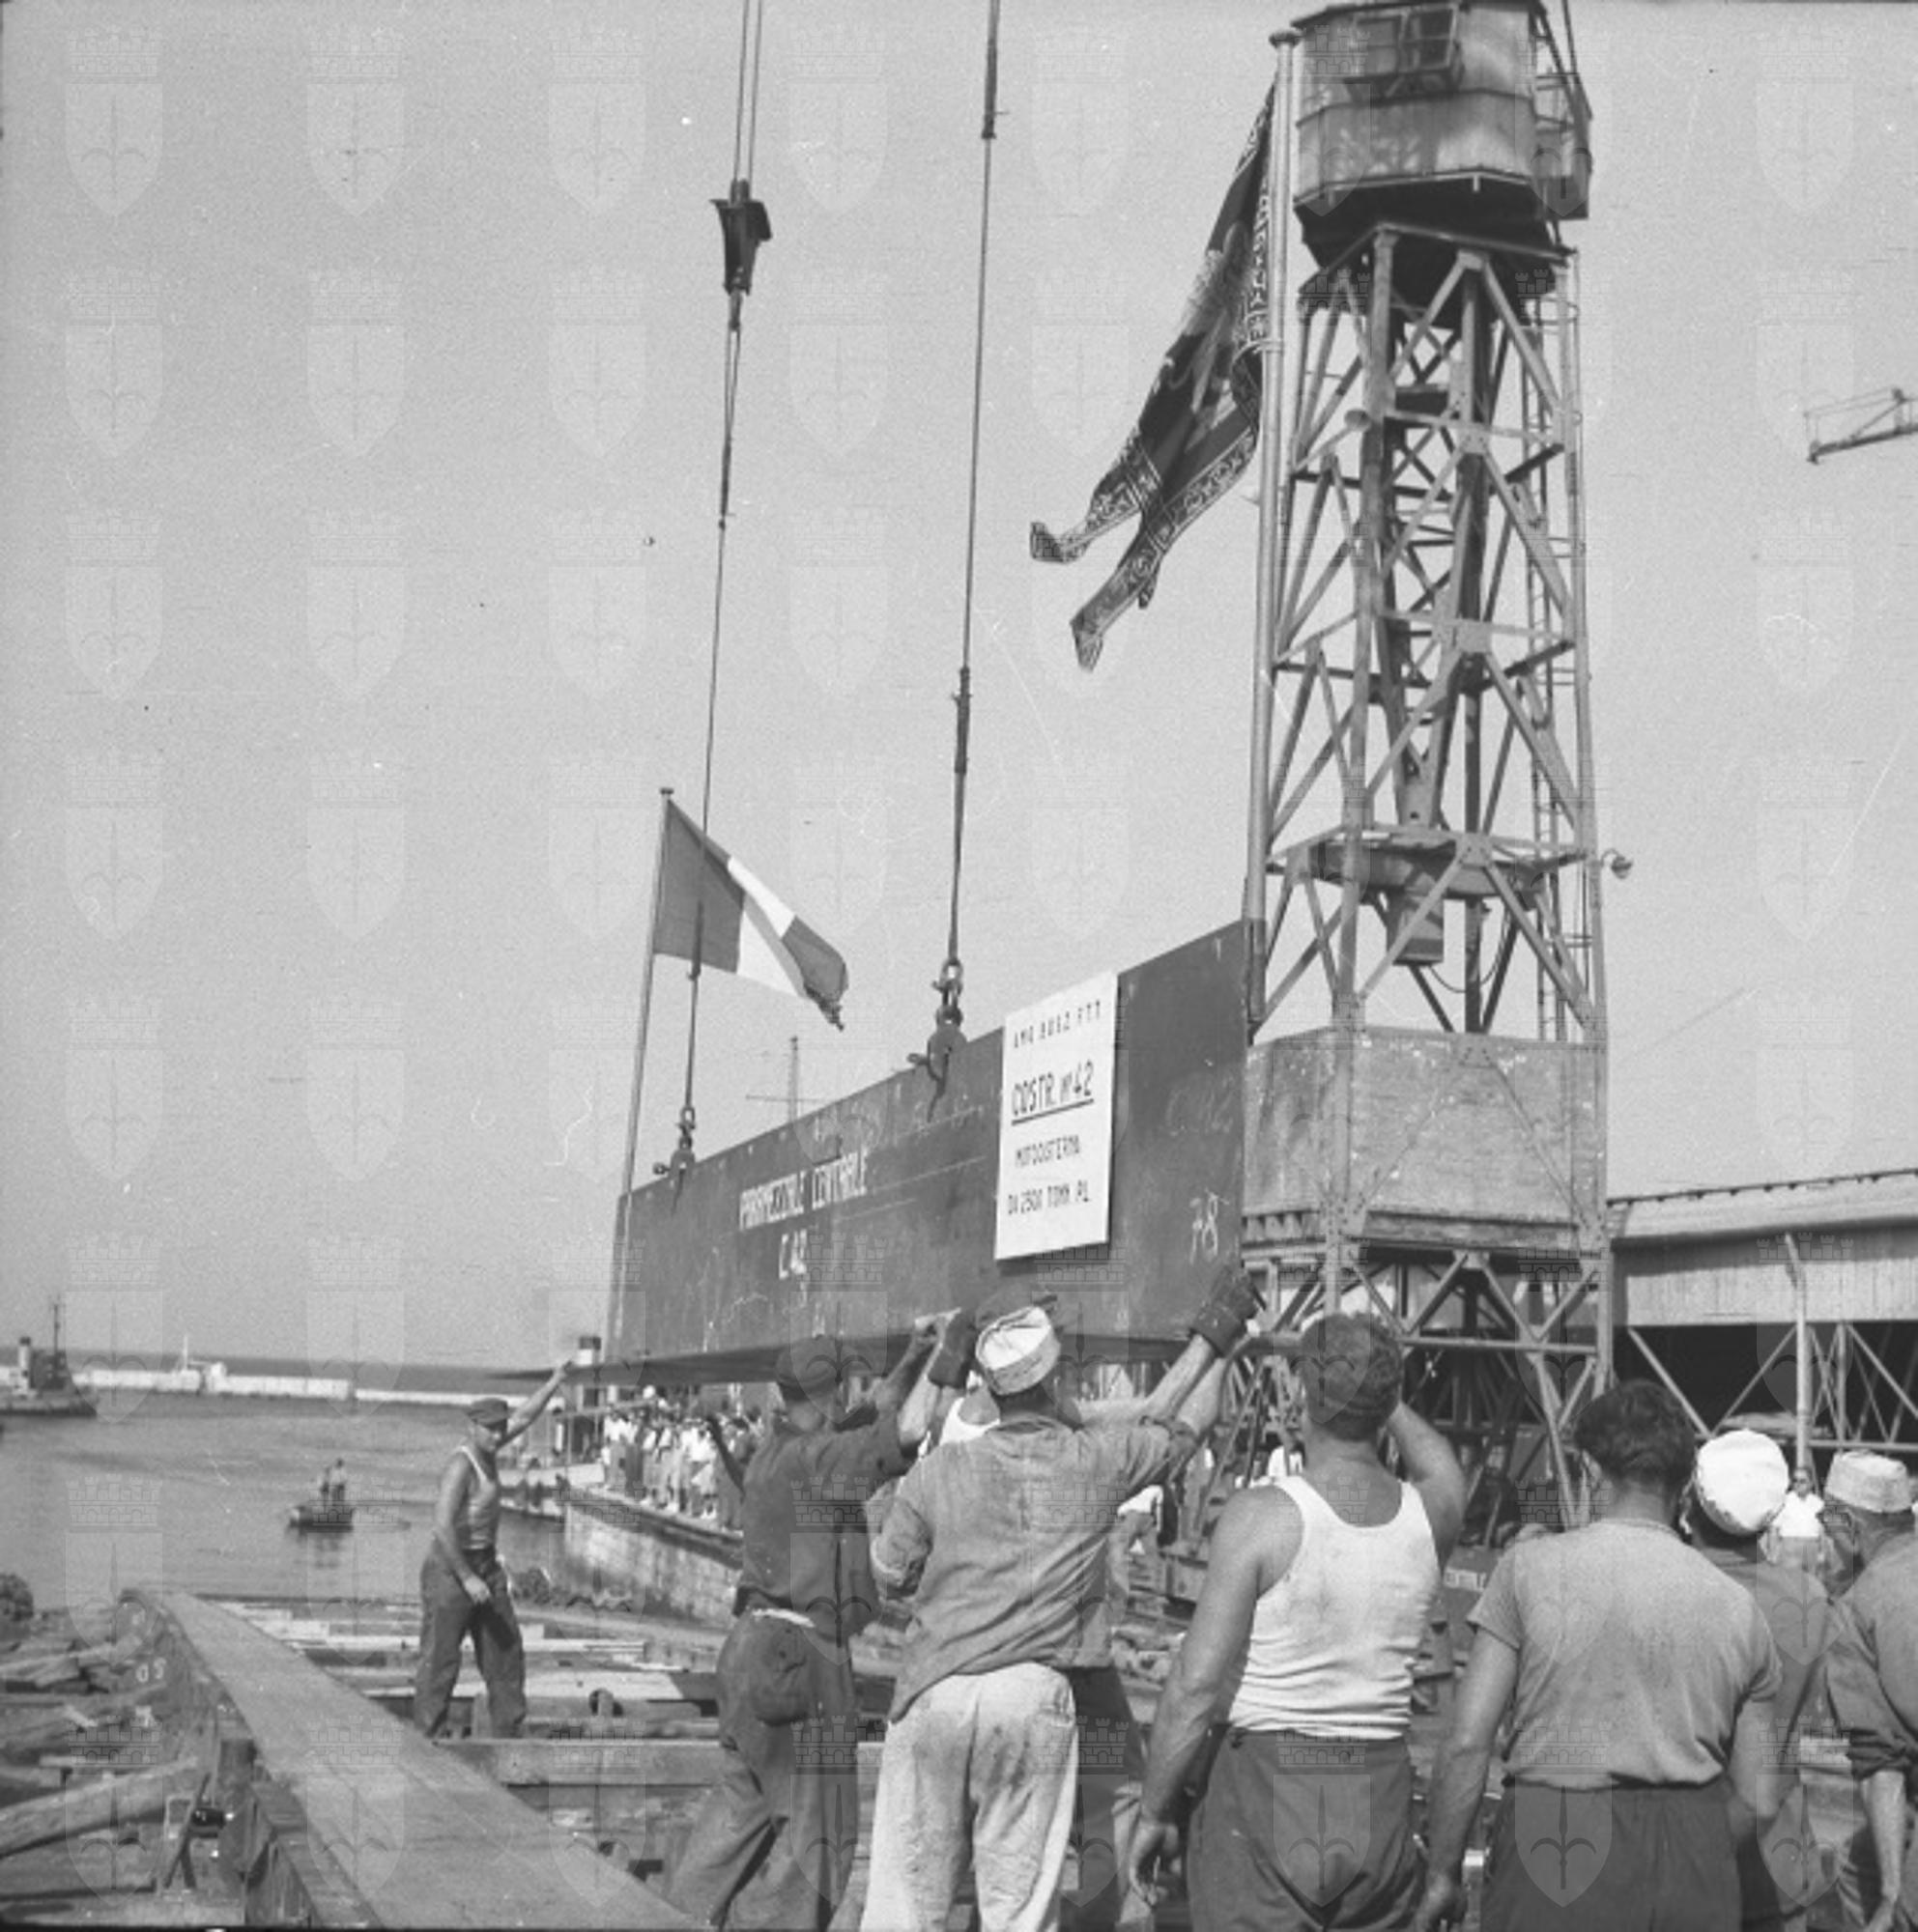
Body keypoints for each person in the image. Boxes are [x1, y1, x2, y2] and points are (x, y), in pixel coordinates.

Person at [860, 1271, 1250, 1932]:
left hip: (934, 1692)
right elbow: (1182, 1429)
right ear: (1052, 1378)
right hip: (1034, 1693)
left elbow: (890, 1576)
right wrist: (1220, 1346)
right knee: (1020, 1909)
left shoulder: (938, 1463)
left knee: (904, 1908)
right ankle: (1119, 1911)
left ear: (989, 1381)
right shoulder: (1093, 1459)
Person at [1129, 1313, 1467, 1932]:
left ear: (1305, 1401)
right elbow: (1438, 1462)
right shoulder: (1431, 1513)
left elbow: (1194, 1686)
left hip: (1267, 1785)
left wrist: (1154, 1810)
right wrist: (1379, 1393)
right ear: (1385, 1402)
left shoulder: (1261, 1518)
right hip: (1377, 1789)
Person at [1413, 1381, 1784, 1932]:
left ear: (1588, 1469)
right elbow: (1759, 1799)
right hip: (1693, 1857)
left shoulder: (1529, 1571)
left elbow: (1468, 1743)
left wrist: (1442, 1875)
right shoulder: (1741, 1611)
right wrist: (1691, 1851)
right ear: (1684, 1487)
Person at [665, 1319, 943, 1932]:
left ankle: (667, 1917)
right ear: (832, 1393)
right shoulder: (816, 1462)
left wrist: (917, 1353)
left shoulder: (778, 1452)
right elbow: (904, 1432)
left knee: (739, 1813)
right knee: (817, 1836)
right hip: (800, 1659)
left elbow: (873, 1415)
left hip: (749, 1647)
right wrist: (948, 1356)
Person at [1685, 1429, 1835, 1932]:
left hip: (1687, 1860)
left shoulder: (1673, 1591)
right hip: (1780, 1858)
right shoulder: (1808, 1598)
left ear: (1691, 1503)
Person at [413, 1366, 569, 1739]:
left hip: (486, 1564)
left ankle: (508, 1737)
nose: (499, 1435)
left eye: (501, 1428)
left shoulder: (492, 1447)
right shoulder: (461, 1466)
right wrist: (467, 1578)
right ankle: (427, 1738)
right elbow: (442, 1526)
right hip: (451, 1569)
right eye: (491, 1429)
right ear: (473, 1427)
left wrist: (555, 1382)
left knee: (506, 1652)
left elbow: (525, 1417)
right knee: (440, 1660)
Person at [1820, 1450, 1918, 1932]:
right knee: (1855, 1859)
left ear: (1852, 1528)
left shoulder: (1858, 1607)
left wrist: (1894, 1894)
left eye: (1828, 1520)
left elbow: (1882, 1763)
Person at [1767, 1466, 1825, 1575]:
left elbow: (1822, 1529)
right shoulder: (1784, 1501)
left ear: (1811, 1483)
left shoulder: (1818, 1503)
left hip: (1811, 1547)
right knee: (1790, 1581)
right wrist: (1772, 1552)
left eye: (1802, 1481)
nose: (1798, 1484)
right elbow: (1774, 1528)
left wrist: (1822, 1552)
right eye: (1795, 1480)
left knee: (1811, 1581)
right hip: (1790, 1547)